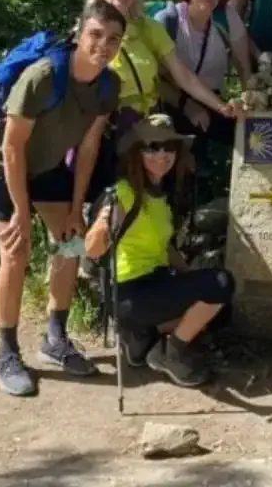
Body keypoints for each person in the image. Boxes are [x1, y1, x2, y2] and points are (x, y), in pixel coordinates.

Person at [0, 0, 125, 397]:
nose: (103, 45)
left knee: (71, 243)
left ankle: (55, 337)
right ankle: (7, 352)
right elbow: (12, 146)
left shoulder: (108, 85)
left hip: (48, 166)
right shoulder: (44, 75)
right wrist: (21, 211)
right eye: (95, 34)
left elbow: (88, 149)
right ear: (79, 31)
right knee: (16, 252)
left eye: (113, 39)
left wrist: (76, 209)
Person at [85, 114, 233, 387]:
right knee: (221, 284)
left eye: (169, 148)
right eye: (152, 147)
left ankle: (142, 337)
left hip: (156, 282)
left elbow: (165, 248)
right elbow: (93, 249)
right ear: (137, 152)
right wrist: (104, 220)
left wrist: (191, 278)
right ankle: (172, 353)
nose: (162, 154)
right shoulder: (124, 192)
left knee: (222, 309)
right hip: (130, 290)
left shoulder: (160, 195)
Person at [90, 0, 241, 131]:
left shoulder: (150, 28)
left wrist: (221, 107)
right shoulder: (88, 31)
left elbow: (183, 76)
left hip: (149, 125)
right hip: (103, 125)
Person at [153, 0, 254, 144]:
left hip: (213, 101)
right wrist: (187, 106)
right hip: (172, 102)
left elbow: (243, 68)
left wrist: (249, 103)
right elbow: (155, 79)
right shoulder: (168, 21)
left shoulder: (227, 18)